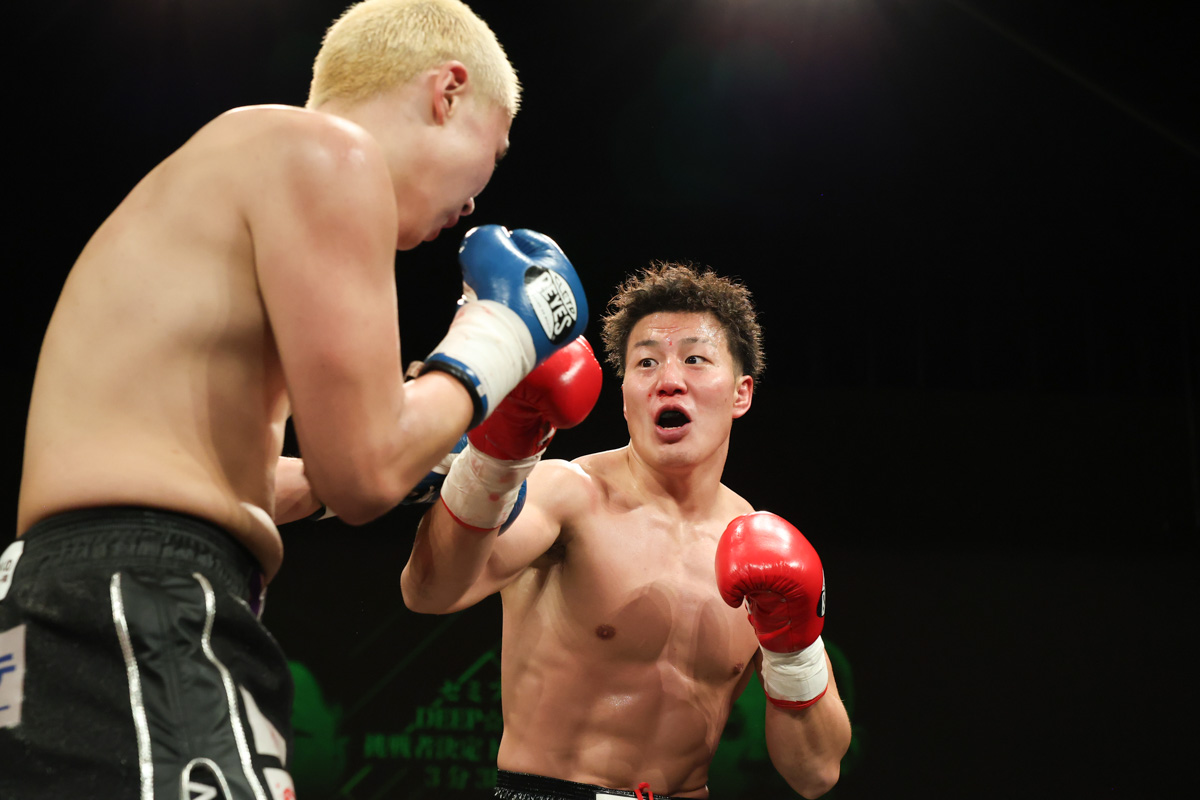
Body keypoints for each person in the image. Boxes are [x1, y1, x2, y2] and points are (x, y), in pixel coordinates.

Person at [0, 1, 588, 798]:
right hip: (141, 599)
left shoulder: (231, 166)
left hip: (60, 601)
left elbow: (210, 476)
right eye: (496, 146)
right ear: (447, 92)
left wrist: (399, 458)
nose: (477, 200)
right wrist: (501, 336)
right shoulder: (327, 152)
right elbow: (365, 475)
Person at [401, 263, 852, 799]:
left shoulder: (761, 549)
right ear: (624, 395)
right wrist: (493, 459)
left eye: (695, 358)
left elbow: (816, 773)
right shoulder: (566, 495)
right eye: (646, 362)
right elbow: (428, 592)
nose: (668, 379)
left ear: (741, 393)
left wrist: (792, 650)